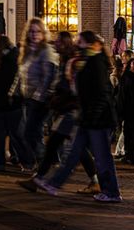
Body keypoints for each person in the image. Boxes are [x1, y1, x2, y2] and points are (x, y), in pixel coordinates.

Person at [36, 31, 121, 203]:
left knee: (102, 157)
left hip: (98, 120)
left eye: (79, 41)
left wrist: (92, 115)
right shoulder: (87, 62)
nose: (76, 43)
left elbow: (101, 94)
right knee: (73, 153)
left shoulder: (96, 63)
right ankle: (53, 183)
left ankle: (111, 192)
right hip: (86, 117)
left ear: (88, 44)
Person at [0, 35, 34, 171]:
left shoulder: (4, 60)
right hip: (12, 102)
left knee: (2, 134)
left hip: (7, 102)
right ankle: (27, 162)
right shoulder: (14, 57)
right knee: (14, 134)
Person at [19, 18, 58, 163]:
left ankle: (44, 162)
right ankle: (48, 161)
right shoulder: (27, 51)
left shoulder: (46, 51)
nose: (34, 34)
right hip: (28, 98)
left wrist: (39, 95)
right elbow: (22, 73)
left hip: (40, 100)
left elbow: (48, 75)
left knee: (31, 131)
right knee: (34, 131)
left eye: (38, 31)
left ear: (43, 33)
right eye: (31, 31)